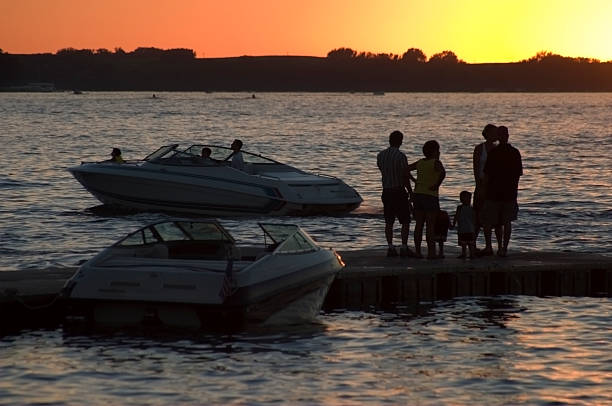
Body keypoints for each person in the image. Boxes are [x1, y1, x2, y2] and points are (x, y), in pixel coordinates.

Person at [481, 126, 523, 257]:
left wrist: (483, 190)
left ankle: (489, 247)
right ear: (508, 136)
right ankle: (503, 248)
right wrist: (514, 190)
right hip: (509, 192)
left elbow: (487, 174)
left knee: (489, 221)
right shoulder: (515, 152)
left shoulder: (494, 153)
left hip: (493, 192)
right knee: (506, 222)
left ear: (499, 137)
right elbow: (518, 174)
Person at [376, 130, 413, 257]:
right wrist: (411, 192)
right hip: (398, 191)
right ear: (400, 141)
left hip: (386, 191)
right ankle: (403, 247)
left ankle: (391, 247)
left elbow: (383, 171)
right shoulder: (401, 156)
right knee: (405, 220)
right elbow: (404, 176)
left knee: (389, 221)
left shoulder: (380, 156)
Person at [407, 140, 446, 259]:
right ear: (434, 151)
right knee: (430, 225)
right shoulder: (436, 162)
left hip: (418, 195)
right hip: (430, 196)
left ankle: (418, 252)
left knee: (419, 224)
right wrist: (437, 185)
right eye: (438, 150)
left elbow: (405, 169)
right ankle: (431, 253)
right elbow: (443, 173)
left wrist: (414, 181)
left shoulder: (420, 162)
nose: (439, 153)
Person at [473, 124, 498, 255]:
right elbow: (476, 169)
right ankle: (472, 244)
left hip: (494, 186)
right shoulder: (479, 148)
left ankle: (489, 246)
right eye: (494, 132)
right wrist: (479, 186)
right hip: (482, 184)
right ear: (487, 134)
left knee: (491, 217)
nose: (496, 135)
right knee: (477, 216)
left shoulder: (497, 149)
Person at [451, 191, 477, 259]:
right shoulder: (463, 208)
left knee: (468, 242)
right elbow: (456, 217)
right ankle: (466, 254)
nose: (469, 200)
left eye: (469, 198)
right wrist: (453, 224)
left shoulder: (471, 208)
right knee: (465, 243)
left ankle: (470, 254)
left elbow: (474, 218)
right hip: (464, 229)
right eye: (468, 198)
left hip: (467, 229)